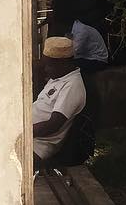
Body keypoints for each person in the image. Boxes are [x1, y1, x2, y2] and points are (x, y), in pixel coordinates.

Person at [32, 37, 87, 165]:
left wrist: (21, 132)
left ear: (64, 64)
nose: (45, 69)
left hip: (37, 144)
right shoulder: (58, 76)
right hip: (29, 136)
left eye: (49, 65)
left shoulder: (72, 85)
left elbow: (53, 125)